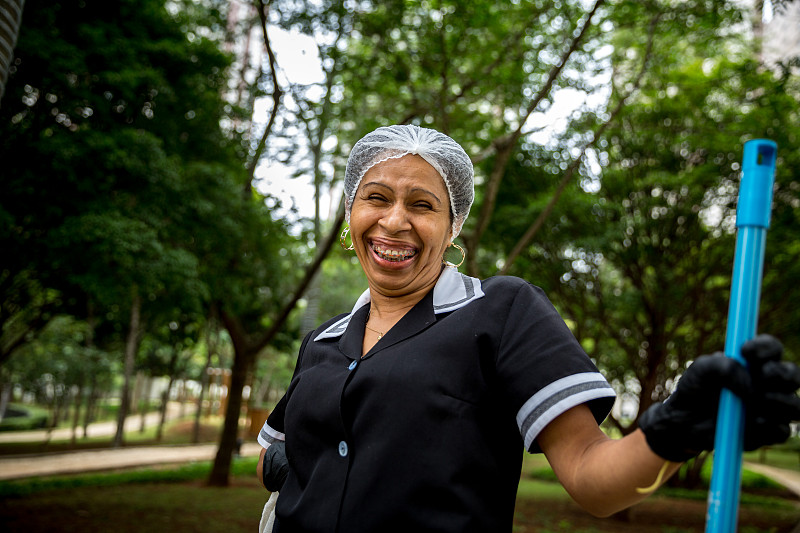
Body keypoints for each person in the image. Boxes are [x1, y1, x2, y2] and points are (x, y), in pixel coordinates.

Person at [256, 124, 800, 532]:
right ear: (352, 213)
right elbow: (274, 452)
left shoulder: (501, 311)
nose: (395, 220)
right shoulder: (323, 339)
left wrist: (677, 429)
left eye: (422, 205)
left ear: (452, 229)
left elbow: (593, 480)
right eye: (376, 197)